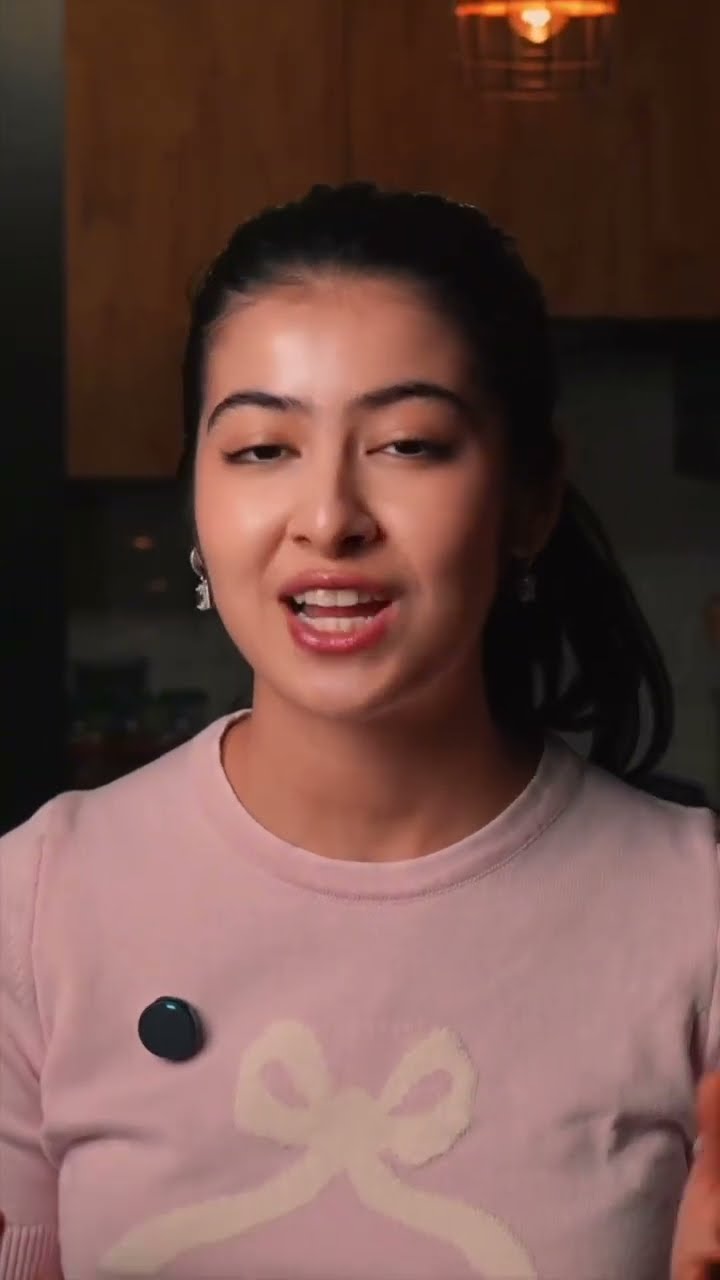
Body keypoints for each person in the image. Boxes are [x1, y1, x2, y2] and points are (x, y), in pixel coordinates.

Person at [0, 182, 719, 1280]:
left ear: (530, 500)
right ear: (195, 497)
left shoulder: (694, 913)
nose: (330, 517)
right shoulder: (37, 906)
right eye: (260, 449)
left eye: (408, 443)